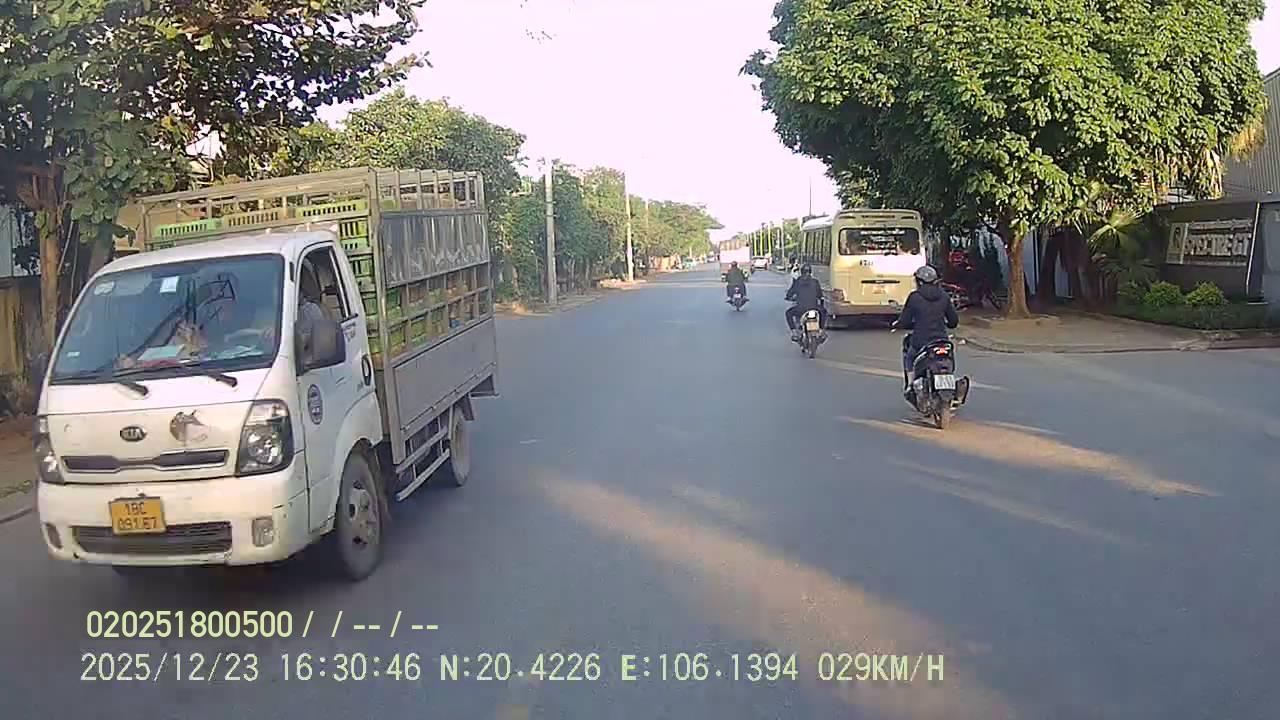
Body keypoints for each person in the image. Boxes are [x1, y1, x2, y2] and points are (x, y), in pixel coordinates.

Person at [894, 265, 959, 394]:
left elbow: (905, 320)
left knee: (909, 358)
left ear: (919, 282)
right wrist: (947, 324)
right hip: (941, 340)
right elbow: (953, 321)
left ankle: (910, 385)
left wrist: (900, 324)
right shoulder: (944, 296)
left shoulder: (914, 297)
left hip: (921, 342)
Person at [784, 263, 827, 341]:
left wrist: (788, 297)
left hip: (800, 309)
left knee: (788, 313)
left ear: (801, 272)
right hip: (814, 308)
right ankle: (821, 330)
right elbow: (820, 295)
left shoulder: (797, 282)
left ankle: (794, 332)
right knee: (823, 311)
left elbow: (790, 293)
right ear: (810, 272)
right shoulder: (815, 282)